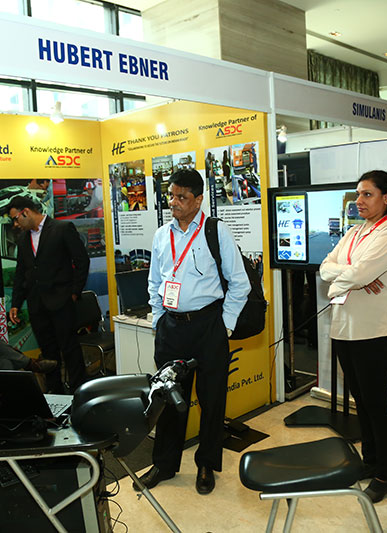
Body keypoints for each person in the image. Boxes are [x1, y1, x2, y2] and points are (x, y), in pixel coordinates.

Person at [136, 168, 249, 496]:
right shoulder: (162, 235)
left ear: (198, 200)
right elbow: (155, 282)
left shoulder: (215, 231)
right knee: (168, 398)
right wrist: (159, 320)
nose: (174, 202)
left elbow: (239, 283)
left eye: (182, 197)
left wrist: (225, 326)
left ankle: (206, 464)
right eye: (171, 196)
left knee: (212, 400)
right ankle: (164, 464)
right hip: (171, 329)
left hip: (208, 326)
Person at [319, 170, 387, 504]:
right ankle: (370, 461)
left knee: (376, 404)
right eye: (358, 194)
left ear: (386, 197)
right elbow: (325, 268)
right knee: (362, 403)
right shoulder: (354, 232)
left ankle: (385, 473)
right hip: (345, 328)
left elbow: (359, 274)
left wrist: (349, 278)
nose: (359, 201)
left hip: (377, 331)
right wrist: (353, 276)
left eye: (367, 194)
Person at [8, 195, 90, 393]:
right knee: (48, 353)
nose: (15, 224)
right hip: (37, 305)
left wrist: (74, 293)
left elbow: (82, 261)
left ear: (26, 212)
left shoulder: (62, 229)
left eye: (16, 219)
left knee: (70, 350)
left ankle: (80, 392)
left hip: (62, 302)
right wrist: (16, 303)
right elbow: (21, 273)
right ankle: (56, 394)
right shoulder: (23, 239)